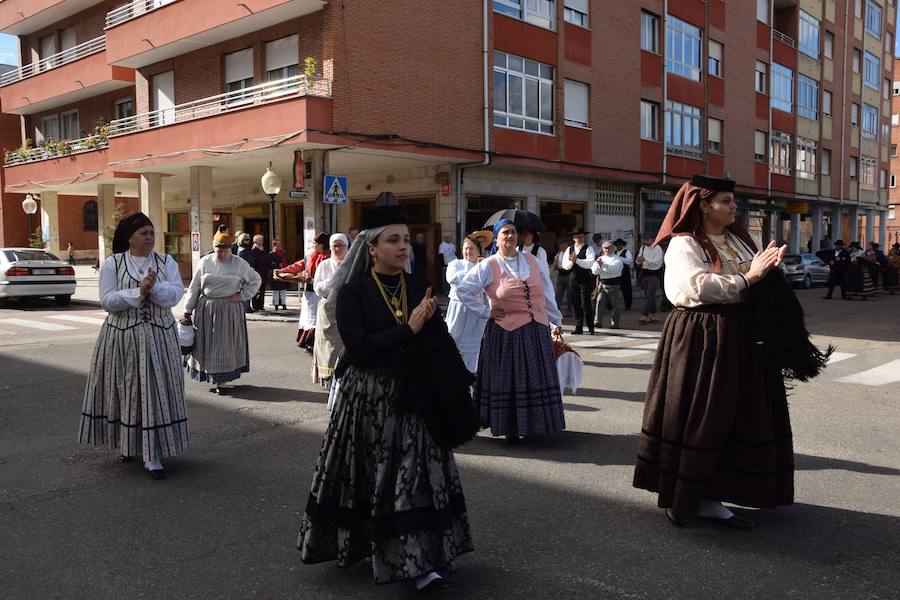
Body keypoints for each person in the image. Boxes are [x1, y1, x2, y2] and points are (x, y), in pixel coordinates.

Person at [298, 201, 476, 592]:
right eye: (393, 240)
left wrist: (444, 352)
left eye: (406, 240)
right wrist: (409, 329)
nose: (403, 247)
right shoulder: (352, 293)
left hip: (416, 396)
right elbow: (360, 349)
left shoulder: (417, 285)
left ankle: (419, 562)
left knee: (414, 476)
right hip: (369, 401)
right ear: (372, 248)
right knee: (369, 480)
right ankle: (375, 548)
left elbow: (433, 340)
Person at [633, 175, 797, 530]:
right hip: (703, 335)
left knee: (740, 413)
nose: (733, 206)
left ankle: (715, 494)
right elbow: (690, 288)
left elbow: (752, 277)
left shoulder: (738, 239)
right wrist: (750, 278)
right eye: (725, 201)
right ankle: (688, 497)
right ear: (704, 205)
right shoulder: (684, 244)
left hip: (740, 336)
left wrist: (768, 271)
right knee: (703, 414)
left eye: (733, 201)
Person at [79, 212, 187, 480]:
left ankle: (153, 454)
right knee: (127, 391)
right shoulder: (113, 264)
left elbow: (176, 293)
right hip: (123, 338)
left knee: (156, 391)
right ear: (129, 237)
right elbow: (107, 301)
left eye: (152, 233)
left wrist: (154, 288)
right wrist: (137, 292)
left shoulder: (166, 261)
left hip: (160, 337)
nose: (150, 238)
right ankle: (128, 443)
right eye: (144, 233)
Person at [457, 220, 565, 440]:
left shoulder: (532, 260)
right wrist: (485, 312)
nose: (510, 236)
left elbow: (546, 293)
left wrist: (556, 320)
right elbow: (464, 291)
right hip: (506, 332)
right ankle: (511, 428)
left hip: (536, 329)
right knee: (511, 380)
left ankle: (536, 424)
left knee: (536, 378)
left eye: (514, 232)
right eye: (505, 232)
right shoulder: (489, 265)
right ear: (496, 238)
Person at [183, 231, 262, 394]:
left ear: (230, 250)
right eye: (220, 251)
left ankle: (222, 381)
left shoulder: (238, 263)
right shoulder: (205, 262)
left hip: (229, 309)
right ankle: (212, 376)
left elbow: (256, 280)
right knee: (209, 345)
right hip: (207, 309)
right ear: (214, 249)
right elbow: (195, 287)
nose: (223, 254)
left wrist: (242, 295)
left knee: (224, 344)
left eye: (226, 251)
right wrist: (187, 310)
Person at [276, 233, 330, 351]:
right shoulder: (310, 256)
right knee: (309, 317)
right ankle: (309, 341)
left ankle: (318, 341)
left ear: (322, 245)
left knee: (319, 318)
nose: (314, 245)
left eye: (316, 243)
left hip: (323, 294)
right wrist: (282, 271)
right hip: (310, 293)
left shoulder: (329, 259)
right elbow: (297, 266)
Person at [311, 233, 350, 387]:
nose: (338, 249)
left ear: (348, 247)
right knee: (328, 345)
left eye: (341, 245)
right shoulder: (324, 265)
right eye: (335, 246)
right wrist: (331, 284)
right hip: (328, 310)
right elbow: (317, 287)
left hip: (349, 309)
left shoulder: (353, 265)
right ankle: (328, 378)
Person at [446, 235, 488, 373]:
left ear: (478, 251)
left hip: (476, 309)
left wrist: (481, 268)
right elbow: (453, 278)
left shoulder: (484, 266)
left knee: (474, 344)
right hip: (458, 308)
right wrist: (476, 271)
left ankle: (472, 374)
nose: (468, 252)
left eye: (471, 248)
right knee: (454, 338)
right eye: (465, 248)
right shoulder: (455, 264)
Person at [560, 227, 595, 335]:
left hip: (585, 279)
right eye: (577, 236)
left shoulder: (589, 248)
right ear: (573, 238)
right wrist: (572, 263)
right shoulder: (569, 249)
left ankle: (590, 326)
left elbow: (589, 263)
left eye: (582, 236)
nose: (580, 238)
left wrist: (577, 260)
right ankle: (578, 327)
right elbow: (564, 265)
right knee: (575, 304)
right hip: (573, 279)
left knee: (586, 304)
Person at [592, 241, 625, 329]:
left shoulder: (617, 259)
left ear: (612, 248)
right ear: (602, 249)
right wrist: (600, 267)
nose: (607, 250)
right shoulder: (600, 258)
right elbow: (595, 271)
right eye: (605, 248)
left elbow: (615, 270)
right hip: (603, 284)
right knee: (599, 302)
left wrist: (603, 266)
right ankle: (597, 321)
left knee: (615, 305)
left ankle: (615, 322)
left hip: (614, 284)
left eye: (609, 248)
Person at [636, 235, 665, 324]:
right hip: (644, 273)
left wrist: (646, 259)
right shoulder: (643, 248)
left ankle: (644, 315)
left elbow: (658, 263)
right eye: (644, 240)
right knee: (648, 295)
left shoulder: (657, 248)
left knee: (649, 295)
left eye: (647, 239)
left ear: (652, 240)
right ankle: (654, 315)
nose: (645, 241)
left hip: (654, 274)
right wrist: (639, 260)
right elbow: (638, 261)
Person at [247, 234, 270, 312]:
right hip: (257, 273)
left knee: (262, 290)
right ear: (256, 241)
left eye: (262, 240)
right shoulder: (253, 250)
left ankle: (261, 305)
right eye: (260, 240)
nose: (262, 241)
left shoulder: (263, 250)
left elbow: (266, 261)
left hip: (263, 272)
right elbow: (253, 263)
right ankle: (255, 306)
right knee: (256, 290)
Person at [551, 239, 571, 318]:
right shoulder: (559, 253)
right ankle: (556, 309)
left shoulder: (570, 251)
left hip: (568, 274)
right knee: (558, 294)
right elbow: (555, 264)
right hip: (560, 274)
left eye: (560, 244)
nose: (559, 246)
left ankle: (569, 311)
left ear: (564, 244)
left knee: (570, 294)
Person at [613, 238, 634, 310]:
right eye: (617, 245)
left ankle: (628, 305)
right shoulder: (614, 253)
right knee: (614, 290)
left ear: (623, 245)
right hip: (616, 273)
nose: (618, 246)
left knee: (626, 290)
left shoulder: (626, 252)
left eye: (620, 245)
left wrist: (620, 258)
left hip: (625, 273)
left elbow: (629, 261)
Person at [269, 237, 289, 310]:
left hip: (284, 272)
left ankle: (284, 304)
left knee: (283, 290)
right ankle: (276, 304)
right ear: (274, 245)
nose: (279, 246)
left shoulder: (283, 253)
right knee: (276, 290)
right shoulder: (271, 254)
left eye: (280, 245)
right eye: (277, 245)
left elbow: (287, 261)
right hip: (276, 273)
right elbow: (270, 263)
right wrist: (278, 265)